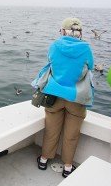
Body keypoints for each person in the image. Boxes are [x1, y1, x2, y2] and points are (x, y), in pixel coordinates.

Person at [32, 17, 94, 178]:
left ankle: (44, 160)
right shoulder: (86, 48)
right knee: (71, 134)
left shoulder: (54, 46)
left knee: (51, 130)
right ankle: (67, 168)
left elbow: (50, 61)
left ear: (62, 31)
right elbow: (91, 66)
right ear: (80, 33)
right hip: (76, 97)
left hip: (54, 94)